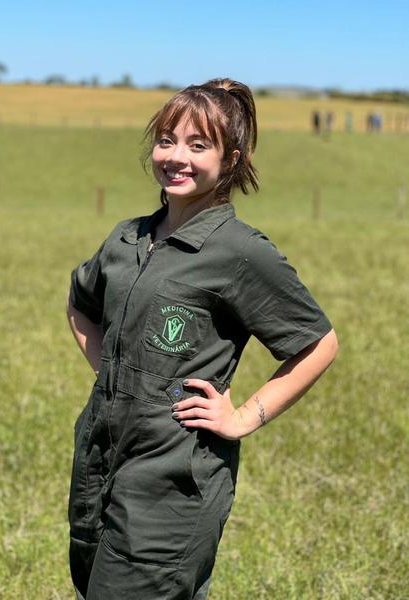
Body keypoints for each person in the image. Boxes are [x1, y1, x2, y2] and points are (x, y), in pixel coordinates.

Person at [66, 78, 339, 600]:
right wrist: (110, 373)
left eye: (198, 145)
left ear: (230, 159)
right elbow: (81, 303)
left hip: (173, 483)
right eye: (167, 140)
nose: (176, 156)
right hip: (99, 465)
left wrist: (242, 418)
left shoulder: (240, 252)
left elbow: (317, 343)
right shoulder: (128, 238)